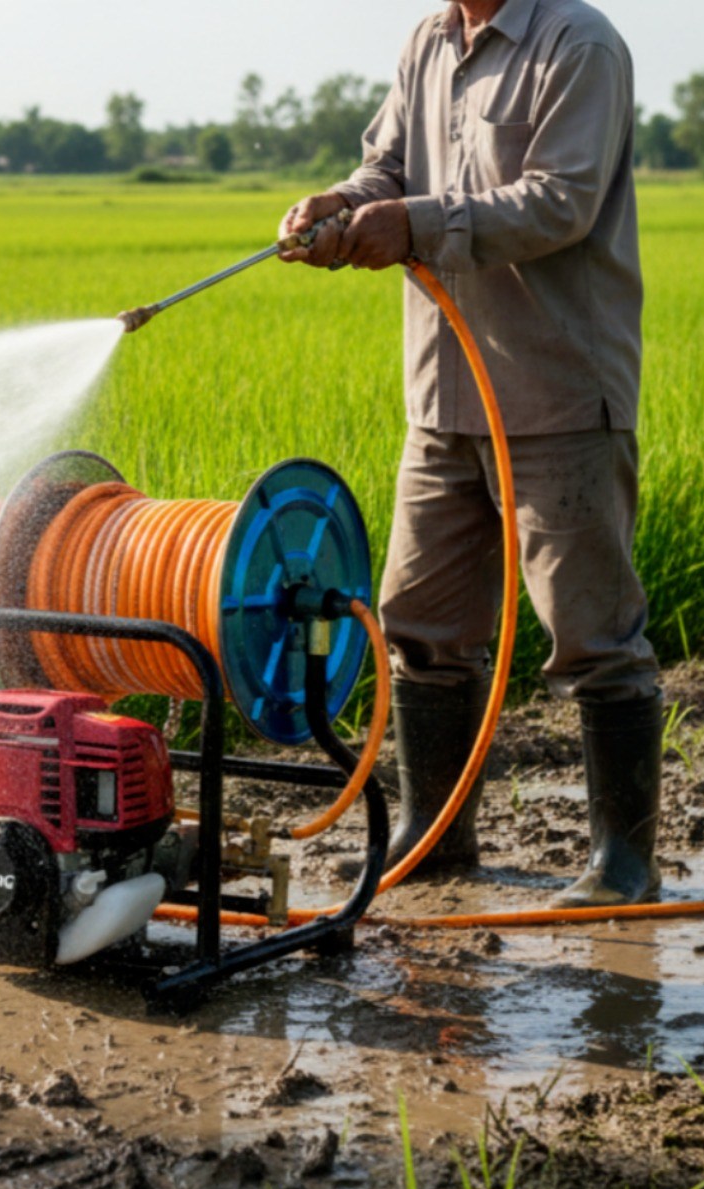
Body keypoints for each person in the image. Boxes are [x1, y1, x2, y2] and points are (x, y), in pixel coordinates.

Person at [278, 0, 661, 908]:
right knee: (420, 626)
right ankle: (437, 834)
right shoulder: (427, 42)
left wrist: (411, 223)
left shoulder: (580, 44)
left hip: (557, 394)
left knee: (594, 636)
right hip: (442, 400)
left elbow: (558, 201)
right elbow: (388, 168)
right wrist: (343, 204)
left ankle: (625, 864)